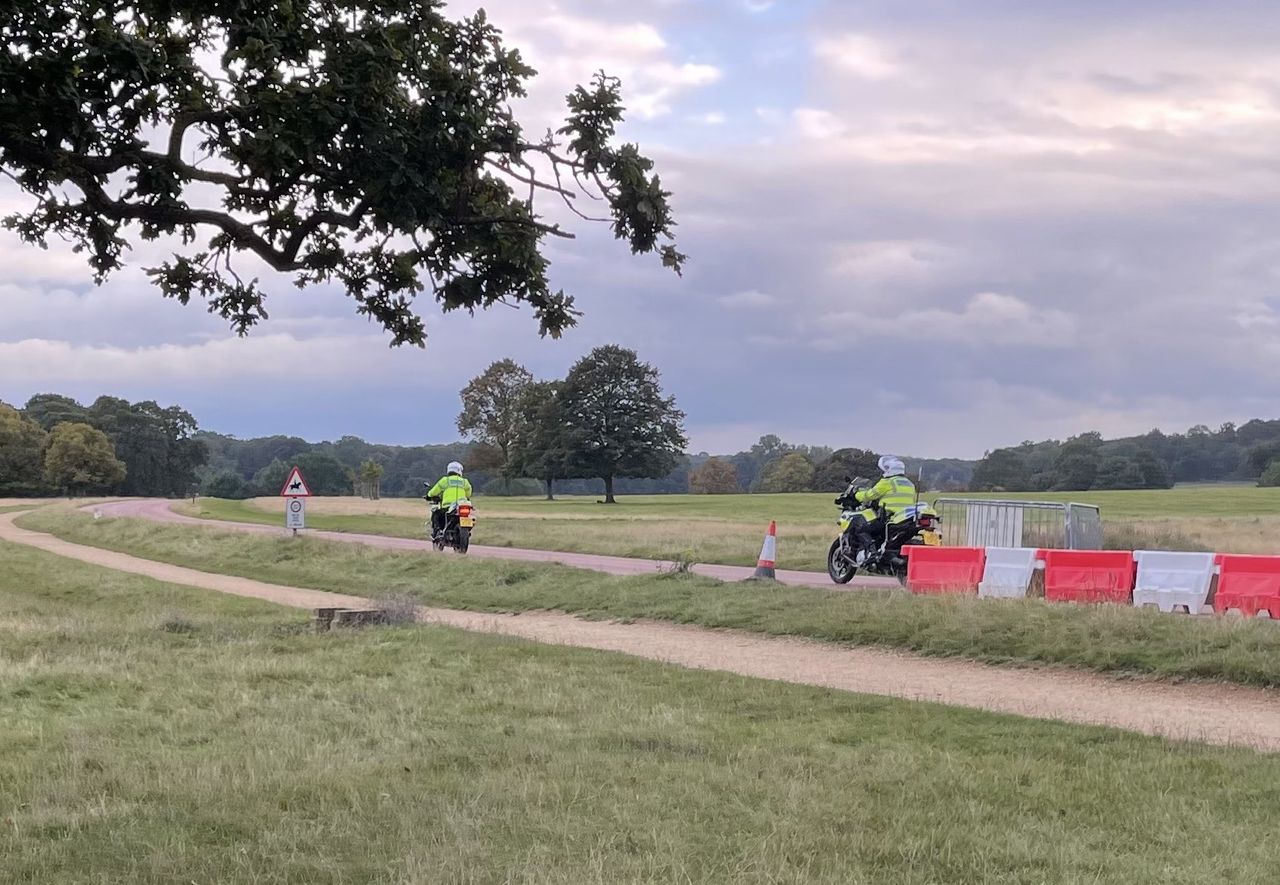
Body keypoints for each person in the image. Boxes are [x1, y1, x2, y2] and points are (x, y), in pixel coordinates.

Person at [840, 455, 917, 563]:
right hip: (905, 518)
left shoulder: (887, 482)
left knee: (861, 528)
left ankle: (872, 552)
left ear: (889, 470)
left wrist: (856, 494)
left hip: (889, 518)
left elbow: (870, 495)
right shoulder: (910, 484)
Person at [426, 461, 473, 540]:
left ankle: (438, 531)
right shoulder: (465, 482)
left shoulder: (445, 480)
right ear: (460, 471)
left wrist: (428, 496)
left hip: (447, 507)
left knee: (436, 514)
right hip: (461, 506)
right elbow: (468, 494)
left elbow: (434, 491)